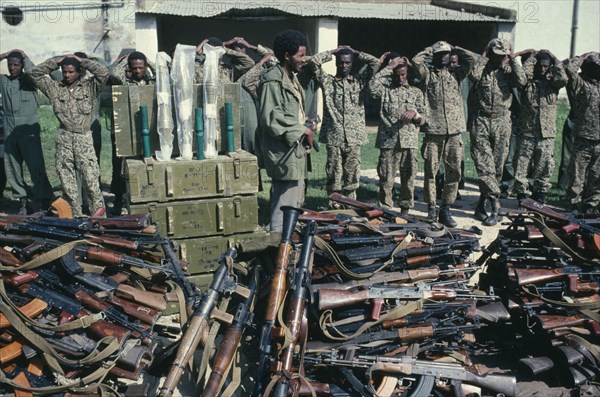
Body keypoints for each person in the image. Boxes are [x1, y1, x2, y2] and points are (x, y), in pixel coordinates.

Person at [31, 54, 109, 217]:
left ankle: (99, 219)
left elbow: (103, 73)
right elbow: (34, 73)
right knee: (67, 182)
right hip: (64, 137)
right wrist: (55, 62)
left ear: (79, 72)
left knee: (91, 181)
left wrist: (83, 61)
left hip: (83, 138)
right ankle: (75, 217)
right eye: (64, 71)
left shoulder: (90, 87)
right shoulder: (54, 88)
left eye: (71, 72)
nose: (67, 75)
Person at [412, 41, 477, 226]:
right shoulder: (428, 75)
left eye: (446, 54)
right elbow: (416, 61)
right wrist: (429, 49)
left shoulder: (456, 74)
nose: (443, 57)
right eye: (439, 54)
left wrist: (457, 48)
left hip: (454, 131)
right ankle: (432, 208)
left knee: (454, 172)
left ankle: (446, 209)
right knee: (431, 172)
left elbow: (472, 60)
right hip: (434, 130)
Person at [257, 29, 315, 233]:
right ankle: (277, 249)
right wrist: (303, 131)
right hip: (284, 153)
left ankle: (287, 243)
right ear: (287, 56)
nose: (303, 59)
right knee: (284, 205)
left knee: (294, 202)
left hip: (294, 151)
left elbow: (289, 111)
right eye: (300, 55)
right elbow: (271, 118)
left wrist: (305, 123)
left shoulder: (290, 78)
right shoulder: (273, 81)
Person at [304, 45, 380, 203]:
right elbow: (313, 62)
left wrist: (357, 52)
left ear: (352, 63)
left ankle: (351, 206)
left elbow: (375, 63)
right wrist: (332, 52)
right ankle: (334, 205)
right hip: (334, 136)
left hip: (354, 137)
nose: (344, 66)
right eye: (340, 62)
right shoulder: (327, 81)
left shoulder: (359, 82)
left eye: (347, 62)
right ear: (336, 63)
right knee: (333, 175)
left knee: (352, 177)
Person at [468, 38, 527, 226]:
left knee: (497, 167)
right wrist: (484, 54)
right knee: (484, 166)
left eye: (503, 56)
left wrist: (512, 58)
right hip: (482, 120)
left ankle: (481, 204)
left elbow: (522, 81)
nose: (500, 59)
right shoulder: (482, 69)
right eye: (497, 56)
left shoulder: (509, 71)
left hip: (502, 122)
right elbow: (473, 76)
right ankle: (495, 206)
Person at [369, 56, 427, 213]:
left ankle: (405, 209)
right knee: (386, 178)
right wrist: (388, 67)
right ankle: (386, 209)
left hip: (409, 142)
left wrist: (415, 115)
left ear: (407, 73)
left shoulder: (416, 92)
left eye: (403, 74)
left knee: (408, 178)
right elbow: (372, 86)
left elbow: (424, 118)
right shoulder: (385, 91)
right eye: (396, 74)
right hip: (388, 141)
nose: (400, 78)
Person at [0, 49, 53, 214]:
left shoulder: (29, 80)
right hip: (9, 129)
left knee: (36, 165)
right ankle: (23, 200)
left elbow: (34, 71)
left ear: (22, 65)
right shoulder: (3, 80)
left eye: (16, 65)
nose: (12, 68)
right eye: (10, 65)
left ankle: (44, 199)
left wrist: (25, 56)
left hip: (28, 128)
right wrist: (3, 55)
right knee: (12, 166)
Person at [513, 49, 567, 204]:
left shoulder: (553, 84)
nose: (542, 69)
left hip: (546, 134)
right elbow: (521, 76)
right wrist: (532, 58)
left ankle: (540, 195)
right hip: (527, 132)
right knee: (521, 166)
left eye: (545, 66)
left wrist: (554, 58)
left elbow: (563, 78)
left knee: (545, 166)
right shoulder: (527, 83)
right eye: (539, 66)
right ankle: (522, 197)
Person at [109, 51, 154, 215]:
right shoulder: (124, 83)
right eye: (133, 68)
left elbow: (167, 74)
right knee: (120, 168)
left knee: (146, 166)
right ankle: (120, 199)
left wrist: (150, 61)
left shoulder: (152, 83)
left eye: (141, 67)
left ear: (146, 67)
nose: (137, 71)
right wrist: (122, 61)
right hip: (126, 132)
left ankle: (145, 198)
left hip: (148, 131)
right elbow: (113, 73)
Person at [565, 52, 600, 212]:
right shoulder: (580, 84)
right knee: (576, 178)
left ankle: (589, 208)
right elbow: (569, 70)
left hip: (599, 142)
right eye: (594, 67)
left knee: (595, 179)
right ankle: (573, 206)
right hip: (583, 140)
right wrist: (582, 57)